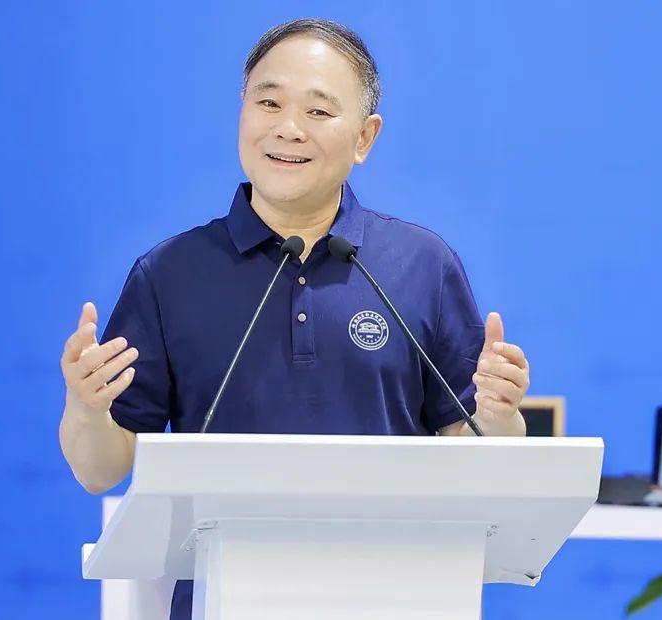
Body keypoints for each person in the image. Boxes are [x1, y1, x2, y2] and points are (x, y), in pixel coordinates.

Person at [59, 18, 530, 619]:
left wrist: (499, 418)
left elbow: (475, 449)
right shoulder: (169, 273)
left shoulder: (422, 265)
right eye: (269, 102)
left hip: (398, 594)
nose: (287, 128)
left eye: (318, 111)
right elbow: (100, 470)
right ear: (242, 113)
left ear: (365, 137)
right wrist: (86, 408)